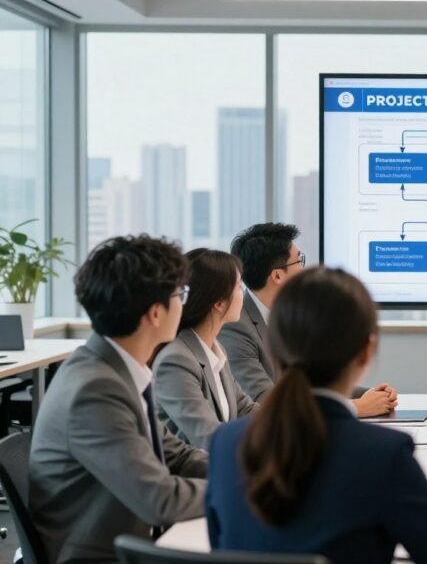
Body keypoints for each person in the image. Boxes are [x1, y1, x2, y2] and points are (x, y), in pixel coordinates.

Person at [206, 267, 427, 563]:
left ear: (274, 348)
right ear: (366, 351)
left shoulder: (225, 444)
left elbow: (220, 547)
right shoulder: (384, 455)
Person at [29, 236, 208, 564]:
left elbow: (177, 456)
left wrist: (247, 471)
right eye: (180, 294)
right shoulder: (94, 391)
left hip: (135, 540)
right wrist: (244, 491)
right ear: (155, 313)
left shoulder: (116, 371)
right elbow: (160, 500)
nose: (184, 304)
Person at [219, 222, 397, 417]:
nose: (304, 269)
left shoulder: (291, 315)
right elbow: (267, 401)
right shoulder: (235, 327)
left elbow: (314, 383)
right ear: (277, 275)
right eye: (299, 261)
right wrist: (356, 407)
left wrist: (370, 395)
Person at [153, 248, 260, 450]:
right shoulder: (176, 361)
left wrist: (287, 422)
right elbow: (208, 436)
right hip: (200, 468)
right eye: (239, 287)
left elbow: (244, 407)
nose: (242, 294)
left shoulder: (215, 350)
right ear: (219, 303)